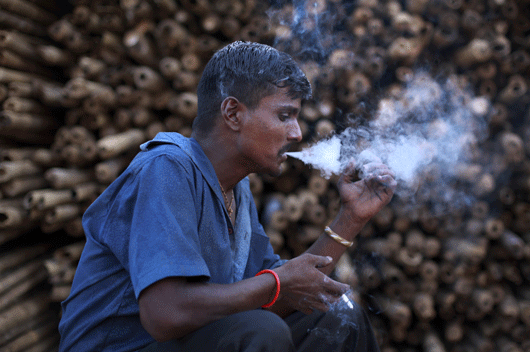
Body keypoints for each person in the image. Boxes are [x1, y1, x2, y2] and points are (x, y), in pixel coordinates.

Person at [58, 41, 396, 352]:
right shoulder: (166, 168)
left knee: (339, 315)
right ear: (233, 113)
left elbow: (278, 295)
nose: (297, 133)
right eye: (284, 115)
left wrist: (350, 218)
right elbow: (165, 314)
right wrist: (276, 282)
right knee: (259, 332)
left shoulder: (236, 192)